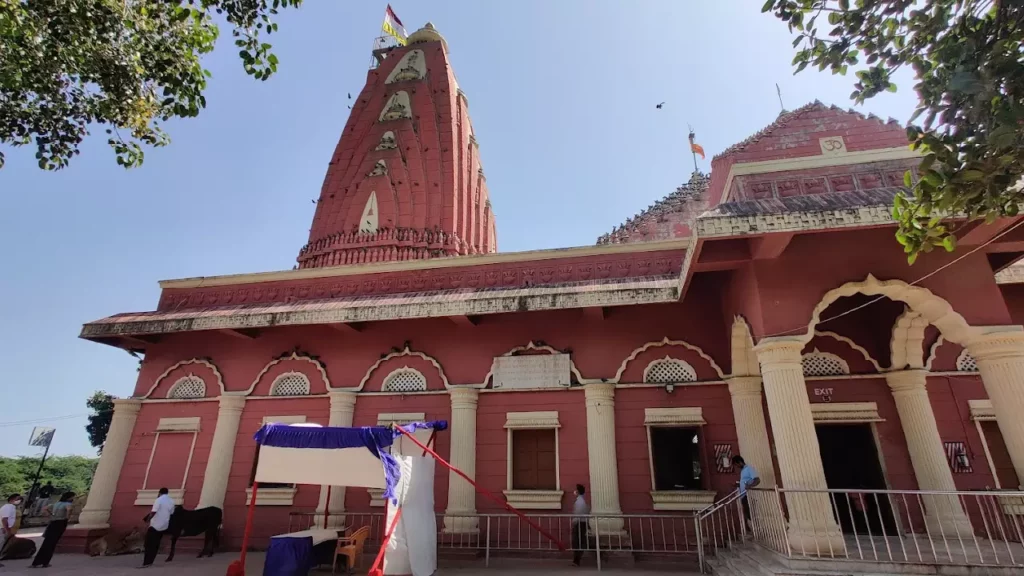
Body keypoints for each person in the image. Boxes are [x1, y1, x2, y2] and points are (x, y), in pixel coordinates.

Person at [30, 491, 75, 568]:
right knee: (52, 543)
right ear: (69, 497)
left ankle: (37, 561)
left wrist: (50, 514)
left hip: (53, 522)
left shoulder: (57, 503)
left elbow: (45, 508)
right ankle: (45, 562)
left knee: (46, 542)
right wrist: (68, 517)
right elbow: (69, 509)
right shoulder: (68, 504)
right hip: (61, 522)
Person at [141, 487, 175, 568]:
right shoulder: (171, 501)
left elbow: (153, 512)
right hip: (164, 525)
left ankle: (146, 562)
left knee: (148, 544)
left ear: (159, 493)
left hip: (155, 525)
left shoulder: (159, 500)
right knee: (156, 544)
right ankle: (150, 561)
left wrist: (148, 520)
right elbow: (171, 513)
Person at [733, 455, 760, 529]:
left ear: (739, 462)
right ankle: (752, 529)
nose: (737, 467)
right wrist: (739, 484)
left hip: (748, 495)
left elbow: (757, 480)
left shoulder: (749, 468)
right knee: (746, 513)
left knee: (750, 513)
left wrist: (750, 486)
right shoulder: (743, 471)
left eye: (736, 464)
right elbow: (745, 481)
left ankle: (756, 528)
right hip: (743, 495)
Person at [0, 494, 23, 567]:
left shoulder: (12, 508)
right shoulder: (8, 508)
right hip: (2, 528)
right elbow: (4, 519)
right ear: (11, 499)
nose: (18, 501)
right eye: (17, 499)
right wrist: (7, 530)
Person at [570, 484, 590, 567]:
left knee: (577, 542)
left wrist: (574, 522)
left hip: (579, 523)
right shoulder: (582, 501)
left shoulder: (580, 502)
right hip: (582, 523)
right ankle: (576, 560)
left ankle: (576, 560)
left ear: (578, 491)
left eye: (576, 490)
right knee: (579, 541)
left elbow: (578, 513)